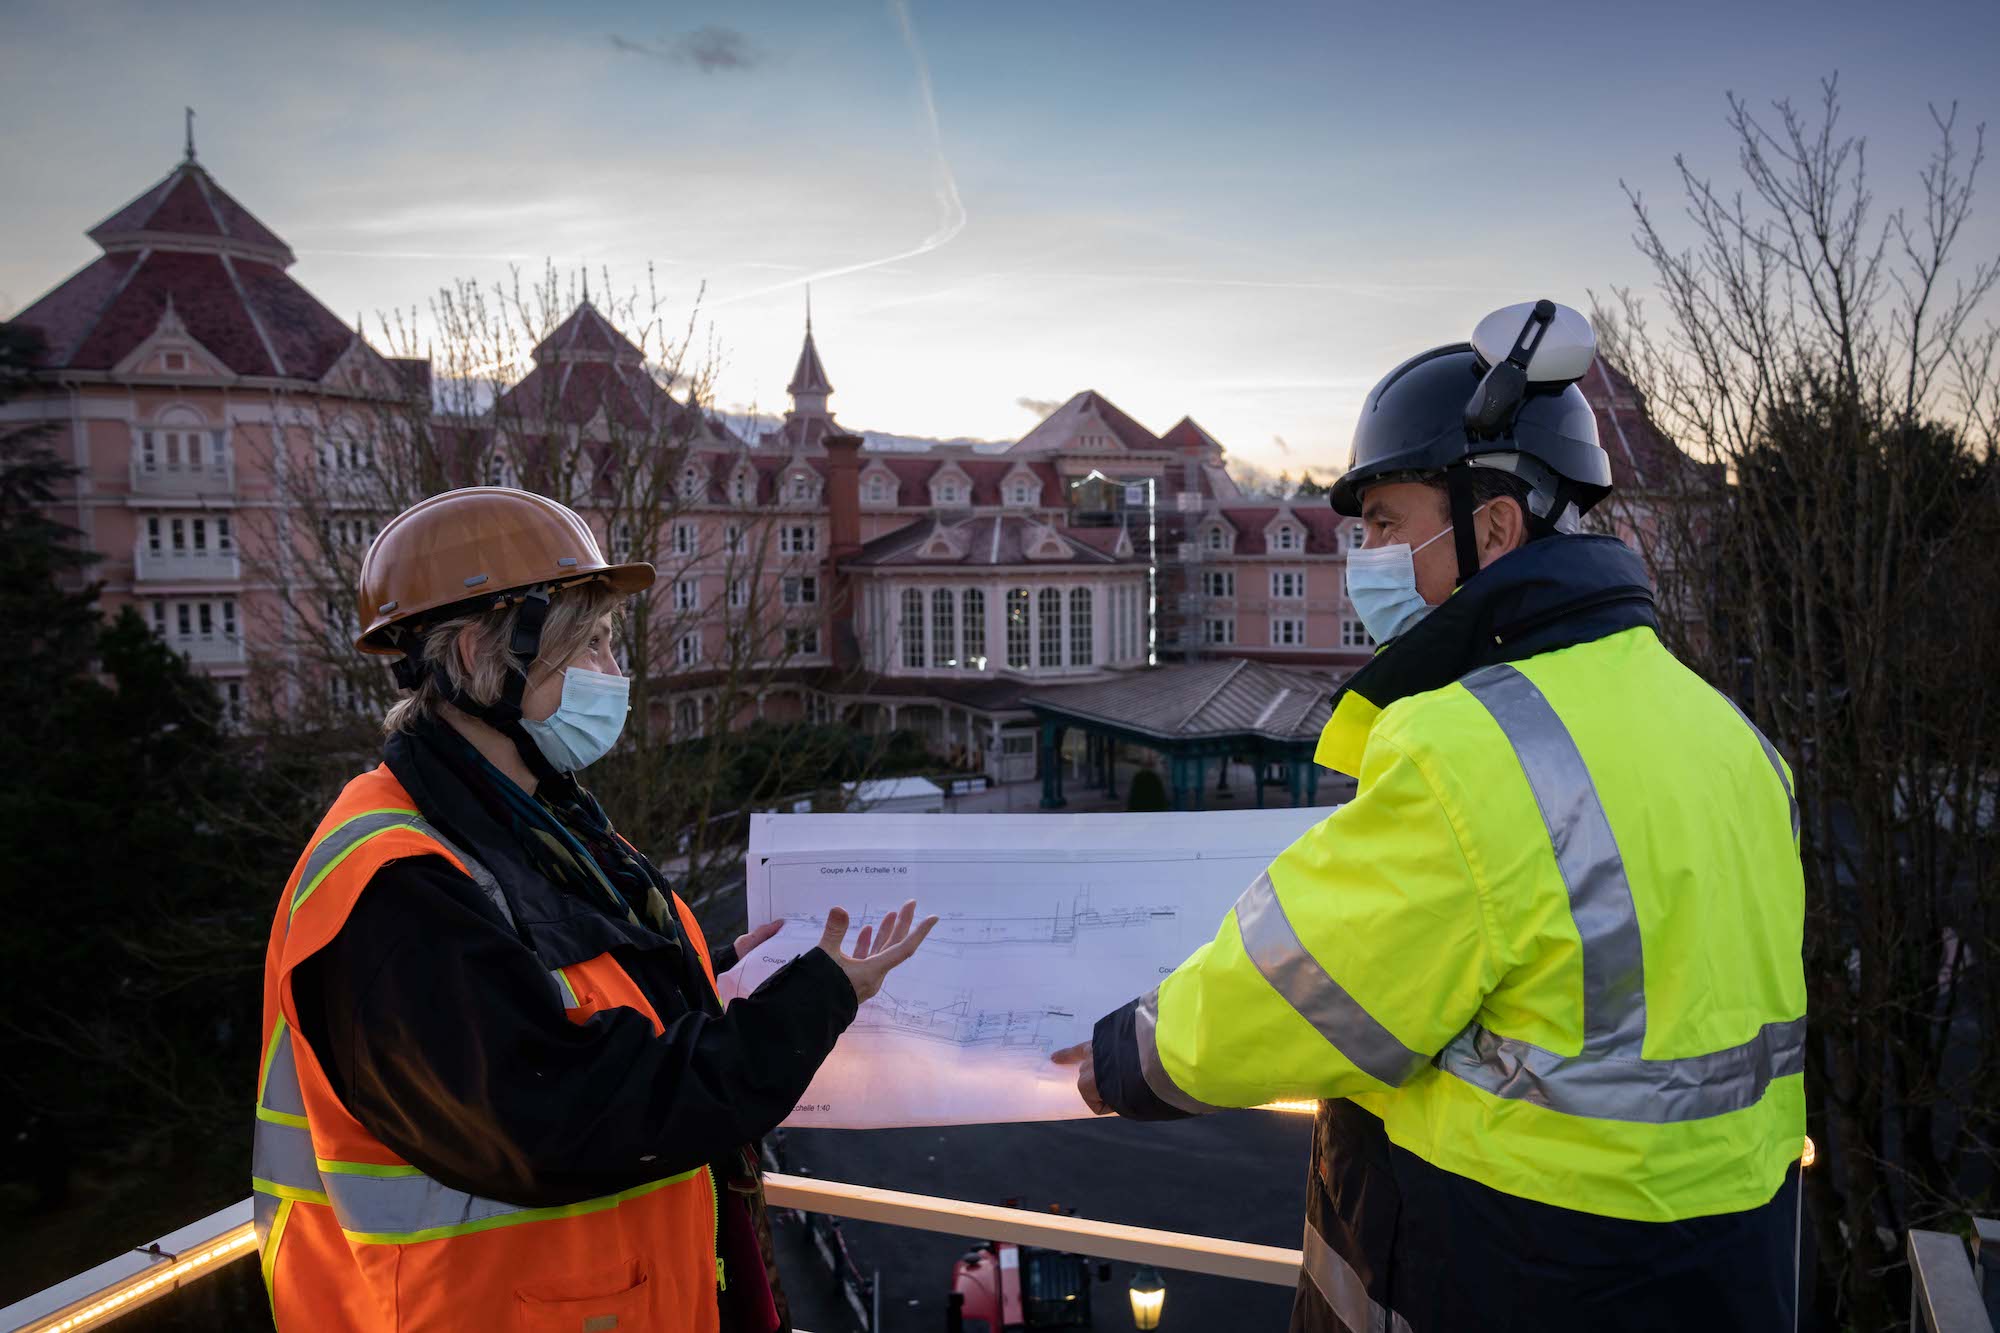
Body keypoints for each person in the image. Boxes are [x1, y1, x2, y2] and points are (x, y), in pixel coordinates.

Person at [1055, 302, 1807, 1331]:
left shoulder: (1472, 744)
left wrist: (1125, 1057)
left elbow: (1305, 983)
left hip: (1524, 1262)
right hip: (1731, 1262)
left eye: (1382, 524)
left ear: (1491, 525)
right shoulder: (1726, 730)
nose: (1359, 555)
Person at [252, 487, 935, 1332]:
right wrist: (811, 1002)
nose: (618, 675)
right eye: (596, 645)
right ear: (480, 654)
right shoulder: (392, 887)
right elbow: (564, 1106)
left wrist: (714, 972)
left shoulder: (528, 814)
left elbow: (545, 983)